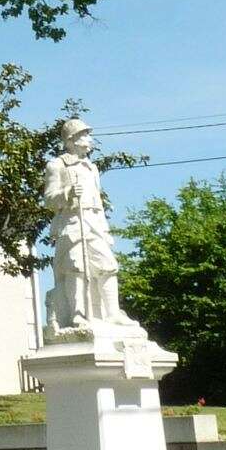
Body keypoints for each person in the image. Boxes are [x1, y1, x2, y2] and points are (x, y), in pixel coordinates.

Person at [43, 116, 143, 338]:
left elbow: (97, 202)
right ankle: (77, 315)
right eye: (84, 135)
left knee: (107, 265)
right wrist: (67, 193)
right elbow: (49, 199)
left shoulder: (92, 168)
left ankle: (112, 313)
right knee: (75, 268)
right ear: (72, 139)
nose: (90, 139)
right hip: (72, 222)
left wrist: (104, 228)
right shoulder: (57, 165)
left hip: (94, 221)